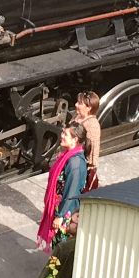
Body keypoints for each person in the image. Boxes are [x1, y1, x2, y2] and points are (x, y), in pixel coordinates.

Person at [36, 124, 88, 252]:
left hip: (67, 213)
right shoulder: (69, 156)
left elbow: (72, 191)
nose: (61, 136)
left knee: (60, 248)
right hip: (62, 208)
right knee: (58, 246)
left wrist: (60, 216)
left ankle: (57, 271)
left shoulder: (74, 163)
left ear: (75, 139)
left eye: (65, 134)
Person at [72, 91, 103, 191]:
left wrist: (91, 166)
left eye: (80, 103)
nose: (76, 104)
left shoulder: (92, 124)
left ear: (89, 107)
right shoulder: (77, 117)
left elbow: (93, 147)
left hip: (79, 162)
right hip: (70, 157)